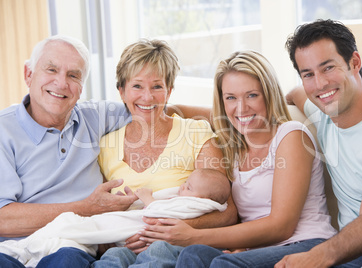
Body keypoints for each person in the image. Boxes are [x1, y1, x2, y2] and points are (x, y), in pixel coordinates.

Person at [117, 50, 337, 268]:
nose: (241, 108)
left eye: (252, 95)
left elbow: (282, 226)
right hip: (256, 250)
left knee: (219, 262)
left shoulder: (291, 135)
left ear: (268, 94)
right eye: (231, 97)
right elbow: (182, 111)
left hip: (305, 244)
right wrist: (163, 110)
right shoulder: (233, 148)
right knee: (193, 256)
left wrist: (192, 235)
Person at [92, 39, 237, 260]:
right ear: (122, 91)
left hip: (176, 249)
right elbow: (100, 216)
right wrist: (114, 240)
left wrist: (169, 232)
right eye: (137, 86)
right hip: (125, 248)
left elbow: (227, 212)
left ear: (169, 91)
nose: (147, 97)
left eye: (157, 86)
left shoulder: (196, 133)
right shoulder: (105, 147)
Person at [0, 35, 136, 268]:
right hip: (11, 249)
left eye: (73, 75)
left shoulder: (93, 116)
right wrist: (86, 208)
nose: (61, 83)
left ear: (82, 87)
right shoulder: (4, 130)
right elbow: (3, 220)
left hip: (70, 246)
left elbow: (149, 107)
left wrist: (218, 111)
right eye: (51, 69)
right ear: (28, 74)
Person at [276, 19, 362, 267]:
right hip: (353, 246)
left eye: (328, 68)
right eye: (308, 74)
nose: (320, 84)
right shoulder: (323, 112)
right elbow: (295, 94)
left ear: (354, 62)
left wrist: (317, 256)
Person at [0, 168, 231, 268]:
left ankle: (28, 248)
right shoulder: (107, 128)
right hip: (118, 237)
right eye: (137, 86)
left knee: (71, 236)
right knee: (109, 251)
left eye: (188, 186)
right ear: (121, 91)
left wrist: (150, 202)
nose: (182, 187)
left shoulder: (198, 202)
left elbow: (159, 214)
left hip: (154, 239)